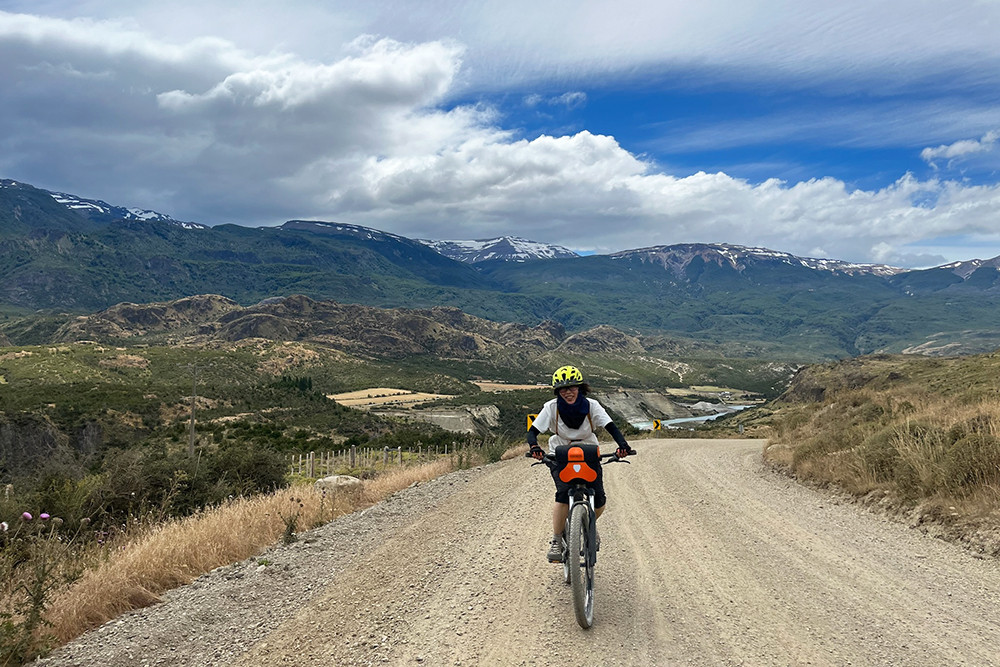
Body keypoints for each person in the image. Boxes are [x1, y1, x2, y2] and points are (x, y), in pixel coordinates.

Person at [527, 365, 633, 562]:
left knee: (599, 498)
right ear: (557, 391)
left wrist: (623, 446)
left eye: (572, 387)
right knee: (562, 494)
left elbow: (611, 427)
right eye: (563, 389)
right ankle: (557, 540)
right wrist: (535, 447)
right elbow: (532, 432)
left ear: (580, 388)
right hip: (559, 452)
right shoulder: (551, 408)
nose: (568, 392)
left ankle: (590, 525)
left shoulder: (592, 406)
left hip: (588, 452)